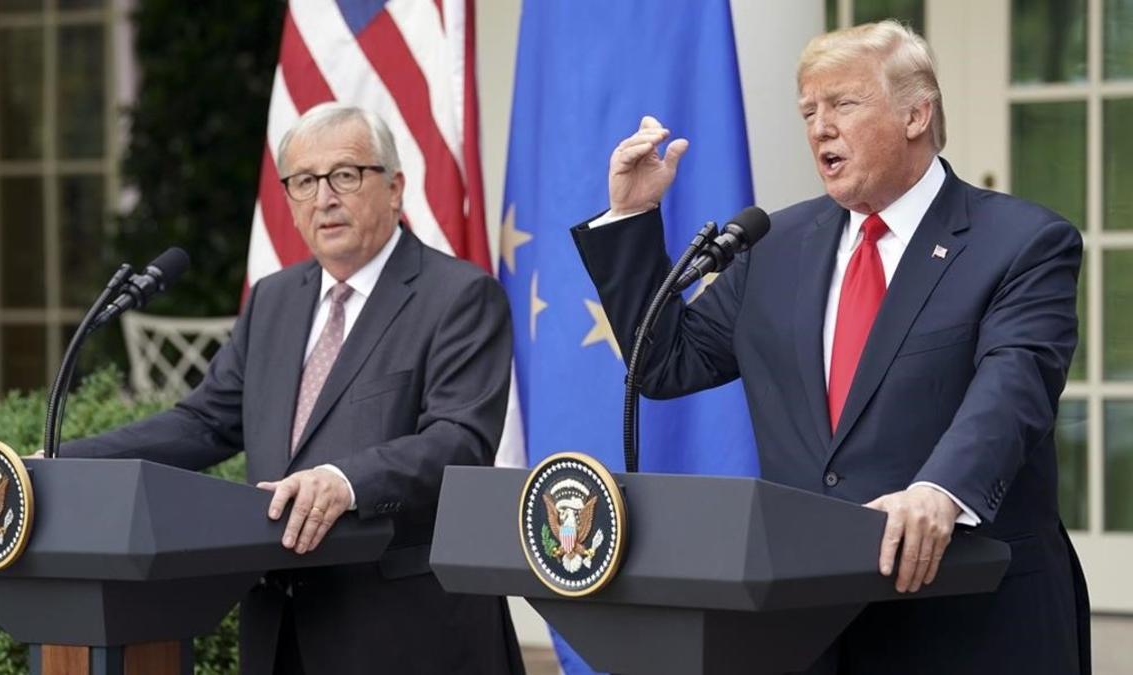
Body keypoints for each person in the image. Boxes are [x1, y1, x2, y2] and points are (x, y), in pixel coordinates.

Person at [572, 20, 1089, 675]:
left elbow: (1013, 387)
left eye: (843, 104)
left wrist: (938, 490)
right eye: (808, 111)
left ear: (916, 113)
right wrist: (633, 218)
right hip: (811, 624)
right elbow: (665, 362)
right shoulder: (773, 246)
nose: (820, 127)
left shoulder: (1020, 241)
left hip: (967, 615)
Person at [59, 103, 522, 674]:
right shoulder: (275, 298)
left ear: (396, 188)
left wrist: (345, 481)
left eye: (346, 175)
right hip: (282, 628)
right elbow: (205, 423)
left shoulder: (459, 296)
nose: (324, 197)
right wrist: (62, 463)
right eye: (304, 182)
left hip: (405, 630)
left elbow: (460, 440)